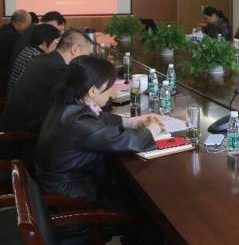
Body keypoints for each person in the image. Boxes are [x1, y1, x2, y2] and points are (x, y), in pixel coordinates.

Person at [36, 56, 165, 244]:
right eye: (110, 86)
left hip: (62, 186)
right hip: (73, 197)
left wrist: (131, 122)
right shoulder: (78, 123)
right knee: (149, 212)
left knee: (132, 192)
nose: (114, 92)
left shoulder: (68, 99)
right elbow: (126, 141)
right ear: (93, 90)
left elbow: (97, 120)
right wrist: (152, 129)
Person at [0, 29, 92, 133]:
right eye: (86, 56)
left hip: (11, 125)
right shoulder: (59, 69)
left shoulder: (42, 58)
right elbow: (78, 100)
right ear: (75, 49)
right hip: (21, 136)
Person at [7, 23, 61, 95]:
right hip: (21, 96)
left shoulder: (28, 49)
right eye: (55, 42)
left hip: (14, 93)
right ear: (44, 43)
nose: (57, 46)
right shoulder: (36, 57)